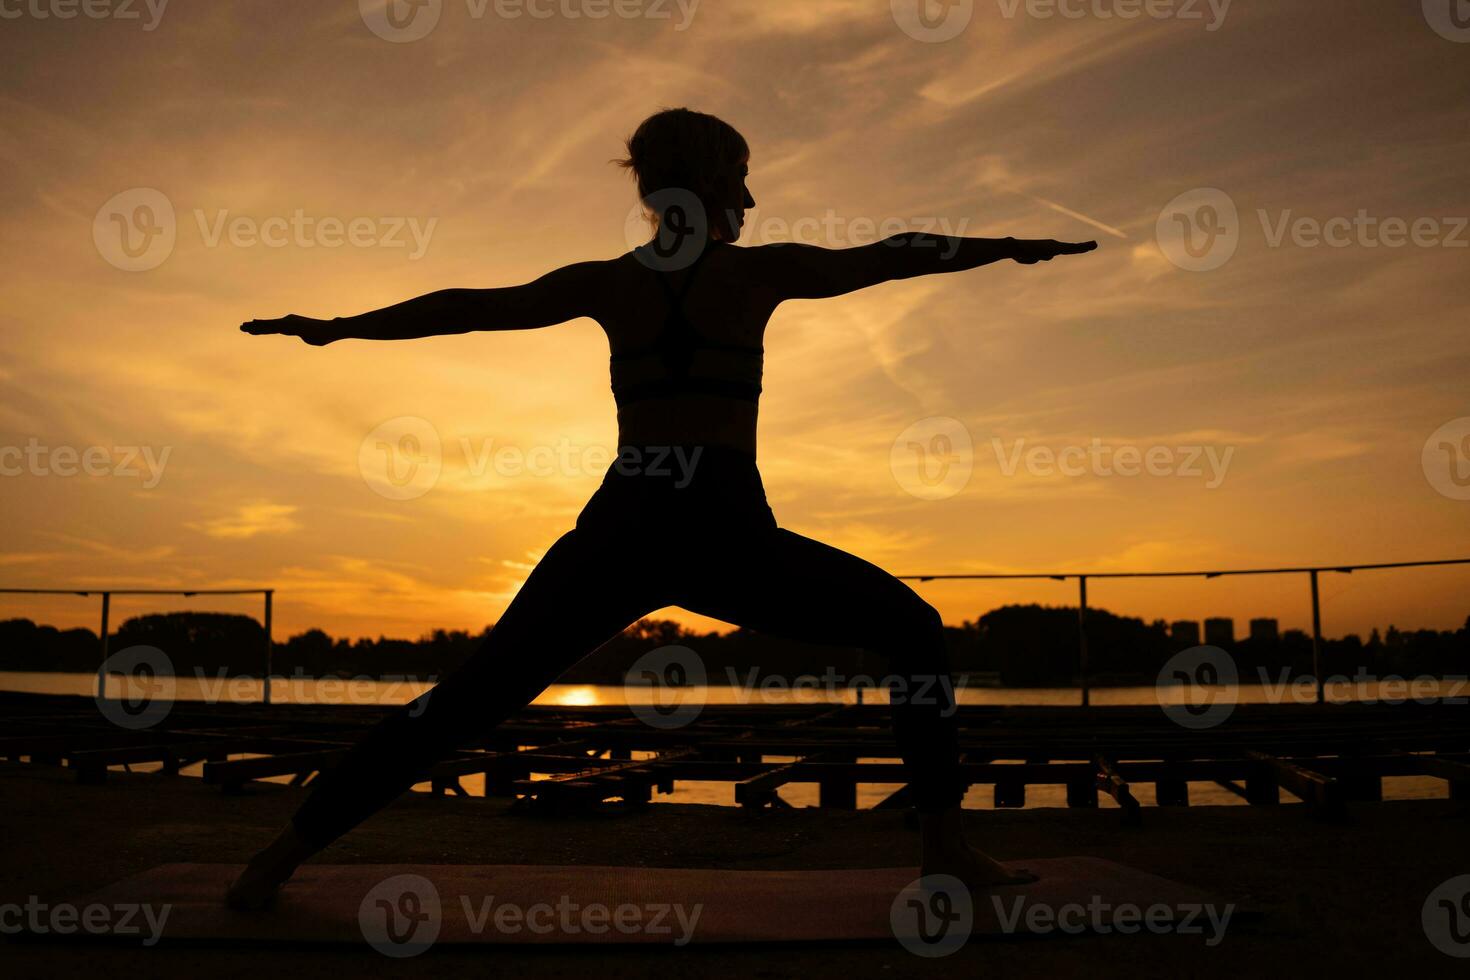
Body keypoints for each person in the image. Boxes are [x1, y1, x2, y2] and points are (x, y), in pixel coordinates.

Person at [229, 107, 1097, 910]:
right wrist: (1006, 245)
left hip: (629, 520)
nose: (753, 197)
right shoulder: (761, 273)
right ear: (712, 184)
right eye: (743, 178)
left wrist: (341, 326)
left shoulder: (610, 283)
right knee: (913, 629)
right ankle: (943, 848)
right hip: (717, 524)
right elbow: (893, 252)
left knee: (469, 697)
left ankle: (279, 856)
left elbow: (471, 307)